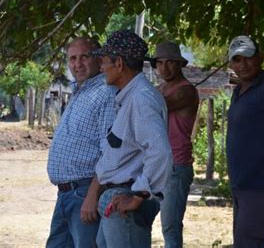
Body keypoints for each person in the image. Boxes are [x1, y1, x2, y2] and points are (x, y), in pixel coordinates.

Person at [93, 30, 173, 248]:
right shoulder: (131, 95)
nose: (101, 68)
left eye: (104, 62)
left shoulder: (141, 98)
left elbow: (160, 152)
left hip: (125, 198)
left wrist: (138, 196)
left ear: (119, 63)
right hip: (117, 198)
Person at [46, 37, 116, 248]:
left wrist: (92, 195)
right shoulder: (80, 91)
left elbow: (109, 152)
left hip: (85, 193)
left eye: (84, 57)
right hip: (66, 194)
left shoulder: (106, 92)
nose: (78, 64)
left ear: (98, 58)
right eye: (72, 58)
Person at [226, 35, 264, 248]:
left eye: (248, 57)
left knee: (250, 243)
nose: (243, 64)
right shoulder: (240, 91)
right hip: (242, 186)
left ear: (260, 57)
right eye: (237, 60)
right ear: (231, 63)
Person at [152, 42, 199, 248]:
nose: (164, 68)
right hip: (156, 164)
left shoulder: (186, 91)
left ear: (180, 64)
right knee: (140, 219)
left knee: (170, 227)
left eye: (170, 62)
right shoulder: (160, 89)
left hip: (176, 166)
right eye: (160, 63)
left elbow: (154, 108)